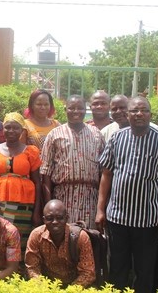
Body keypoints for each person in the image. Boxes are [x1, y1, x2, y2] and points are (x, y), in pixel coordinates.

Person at [95, 96, 158, 293]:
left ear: (151, 114)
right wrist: (100, 209)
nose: (139, 114)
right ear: (128, 114)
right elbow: (106, 174)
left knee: (145, 272)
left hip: (147, 221)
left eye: (144, 110)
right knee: (117, 269)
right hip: (117, 218)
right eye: (134, 110)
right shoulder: (117, 138)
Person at [41, 95, 105, 228]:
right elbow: (45, 172)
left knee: (89, 240)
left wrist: (101, 207)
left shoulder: (97, 134)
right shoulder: (54, 134)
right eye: (72, 108)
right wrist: (48, 204)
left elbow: (104, 173)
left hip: (90, 199)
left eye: (80, 108)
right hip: (62, 197)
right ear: (65, 109)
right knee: (64, 240)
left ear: (85, 109)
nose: (76, 111)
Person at [0, 112, 42, 247]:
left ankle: (18, 268)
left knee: (20, 240)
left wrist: (37, 211)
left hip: (24, 205)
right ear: (3, 128)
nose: (11, 131)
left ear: (22, 130)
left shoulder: (31, 151)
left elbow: (37, 182)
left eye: (16, 128)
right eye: (7, 127)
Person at [25, 199, 95, 288]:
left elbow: (88, 273)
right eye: (50, 218)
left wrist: (70, 291)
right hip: (47, 286)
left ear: (66, 218)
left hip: (76, 286)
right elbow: (32, 268)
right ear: (44, 219)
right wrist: (44, 288)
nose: (55, 222)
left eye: (59, 218)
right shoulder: (36, 235)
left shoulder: (80, 237)